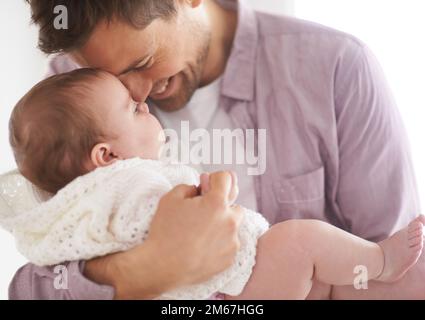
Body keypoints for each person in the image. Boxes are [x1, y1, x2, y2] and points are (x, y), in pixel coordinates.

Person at [7, 0, 423, 299]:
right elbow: (32, 283)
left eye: (141, 62)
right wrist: (151, 267)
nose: (136, 93)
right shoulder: (70, 96)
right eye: (107, 76)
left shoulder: (335, 68)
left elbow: (395, 262)